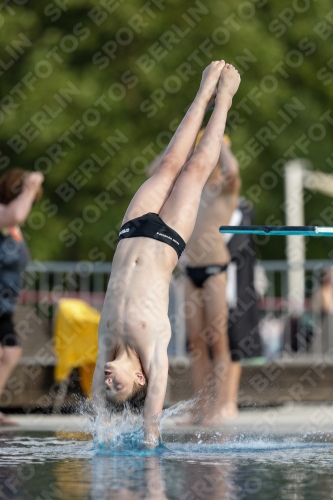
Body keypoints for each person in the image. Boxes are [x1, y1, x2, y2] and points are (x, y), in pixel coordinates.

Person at [92, 60, 241, 444]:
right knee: (193, 171)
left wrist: (103, 425)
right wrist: (149, 434)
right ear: (139, 378)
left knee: (169, 163)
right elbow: (156, 396)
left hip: (131, 228)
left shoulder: (106, 342)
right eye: (118, 388)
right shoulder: (151, 346)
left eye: (107, 385)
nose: (109, 382)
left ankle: (203, 90)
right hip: (168, 238)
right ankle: (223, 99)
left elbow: (97, 400)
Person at [179, 133, 241, 425]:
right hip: (190, 271)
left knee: (218, 340)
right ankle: (200, 408)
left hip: (216, 268)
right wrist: (188, 142)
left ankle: (219, 407)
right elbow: (154, 172)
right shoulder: (191, 189)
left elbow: (234, 171)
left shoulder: (225, 189)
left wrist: (221, 143)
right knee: (196, 343)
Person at [0, 169, 44, 425]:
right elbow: (15, 212)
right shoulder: (5, 216)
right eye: (28, 198)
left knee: (12, 353)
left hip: (4, 303)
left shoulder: (12, 228)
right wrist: (30, 186)